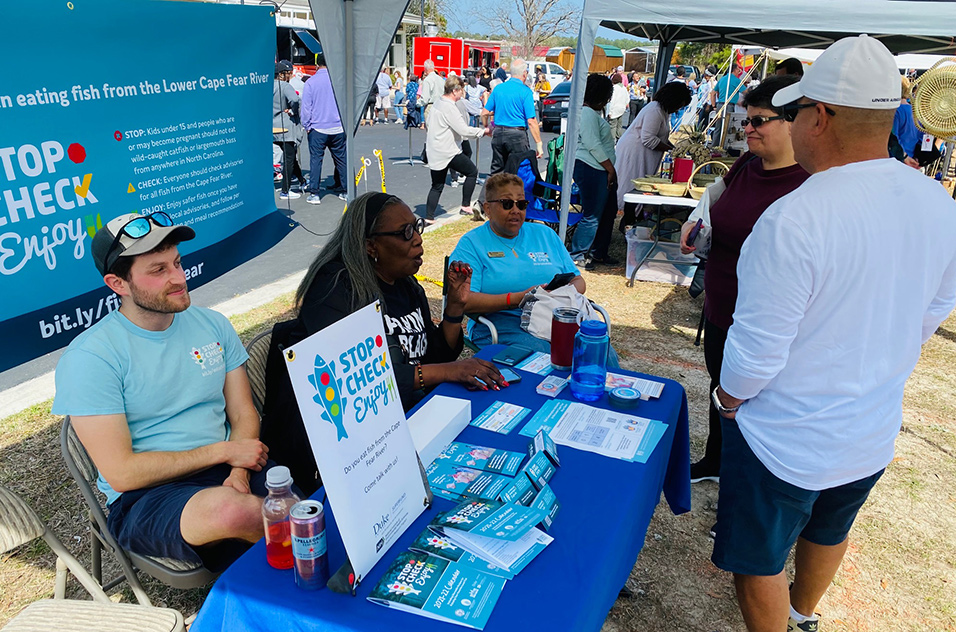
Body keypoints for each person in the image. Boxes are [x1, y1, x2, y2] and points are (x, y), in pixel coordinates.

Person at [709, 35, 956, 632]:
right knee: (830, 528)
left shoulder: (796, 215)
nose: (791, 125)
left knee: (758, 559)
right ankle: (803, 616)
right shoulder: (935, 201)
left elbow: (756, 349)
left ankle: (787, 618)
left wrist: (728, 399)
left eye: (794, 113)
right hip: (869, 425)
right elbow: (937, 306)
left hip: (783, 435)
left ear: (820, 116)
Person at [52, 212, 272, 571]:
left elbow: (243, 412)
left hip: (230, 465)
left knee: (305, 497)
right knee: (240, 513)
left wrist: (238, 470)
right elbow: (123, 473)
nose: (179, 278)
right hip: (146, 495)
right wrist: (225, 450)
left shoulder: (212, 323)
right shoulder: (90, 357)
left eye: (177, 262)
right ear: (118, 284)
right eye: (158, 270)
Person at [263, 193, 508, 494]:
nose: (418, 239)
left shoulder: (405, 285)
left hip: (403, 422)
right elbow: (364, 382)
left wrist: (455, 307)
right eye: (405, 232)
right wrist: (449, 371)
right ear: (371, 246)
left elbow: (435, 354)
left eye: (416, 227)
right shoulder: (336, 289)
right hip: (346, 447)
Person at [677, 75, 810, 485]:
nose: (747, 129)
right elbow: (714, 196)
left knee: (754, 406)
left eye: (759, 121)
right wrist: (694, 222)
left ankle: (742, 483)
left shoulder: (809, 182)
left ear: (792, 122)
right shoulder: (747, 164)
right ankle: (716, 460)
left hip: (766, 321)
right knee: (720, 389)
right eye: (746, 120)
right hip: (720, 306)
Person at [450, 173, 619, 368]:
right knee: (542, 356)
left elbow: (578, 280)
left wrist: (557, 293)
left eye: (521, 204)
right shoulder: (471, 244)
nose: (515, 210)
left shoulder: (544, 234)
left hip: (552, 314)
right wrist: (517, 299)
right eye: (507, 204)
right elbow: (463, 300)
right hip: (501, 321)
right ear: (487, 208)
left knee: (598, 351)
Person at [615, 81, 692, 213]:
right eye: (679, 105)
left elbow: (660, 137)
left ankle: (633, 214)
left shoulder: (662, 111)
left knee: (638, 185)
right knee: (631, 185)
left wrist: (676, 148)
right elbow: (648, 139)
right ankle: (627, 215)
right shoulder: (655, 110)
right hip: (635, 153)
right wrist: (671, 150)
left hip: (641, 153)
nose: (678, 109)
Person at [569, 74, 618, 268]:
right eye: (607, 96)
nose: (607, 101)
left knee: (608, 211)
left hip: (599, 168)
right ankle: (577, 254)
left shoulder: (592, 113)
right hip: (592, 167)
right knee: (593, 214)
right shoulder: (587, 113)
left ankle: (599, 252)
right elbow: (593, 144)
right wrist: (610, 169)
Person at [424, 77, 489, 223]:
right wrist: (483, 131)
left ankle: (429, 217)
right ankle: (465, 205)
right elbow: (463, 130)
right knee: (472, 172)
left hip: (434, 149)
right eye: (461, 90)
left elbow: (429, 123)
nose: (463, 93)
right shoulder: (449, 107)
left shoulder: (438, 103)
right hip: (448, 150)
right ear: (455, 91)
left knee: (437, 185)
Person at [301, 53, 348, 206]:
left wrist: (306, 125)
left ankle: (314, 193)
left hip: (318, 127)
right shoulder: (339, 82)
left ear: (317, 64)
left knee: (316, 160)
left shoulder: (311, 82)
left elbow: (306, 108)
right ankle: (346, 191)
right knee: (341, 159)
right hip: (338, 126)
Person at [481, 59, 543, 173]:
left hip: (499, 133)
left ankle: (492, 190)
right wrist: (539, 143)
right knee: (519, 170)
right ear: (524, 73)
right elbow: (531, 121)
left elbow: (484, 112)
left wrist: (487, 127)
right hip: (517, 135)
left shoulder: (499, 88)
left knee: (497, 171)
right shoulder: (525, 91)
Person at [274, 60, 304, 200]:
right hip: (285, 126)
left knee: (289, 155)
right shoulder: (285, 86)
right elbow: (295, 100)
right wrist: (293, 111)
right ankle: (285, 190)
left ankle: (302, 181)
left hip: (272, 126)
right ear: (282, 74)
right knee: (289, 157)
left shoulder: (268, 86)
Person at [891, 76, 921, 168]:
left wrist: (903, 156)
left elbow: (893, 137)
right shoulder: (915, 111)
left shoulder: (896, 111)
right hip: (912, 159)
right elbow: (920, 137)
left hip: (898, 158)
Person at [420, 59, 445, 126]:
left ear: (425, 68)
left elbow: (425, 99)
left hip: (431, 106)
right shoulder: (441, 79)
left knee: (431, 132)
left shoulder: (427, 80)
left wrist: (416, 103)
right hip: (441, 106)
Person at [607, 73, 629, 141]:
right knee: (619, 126)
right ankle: (619, 140)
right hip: (622, 109)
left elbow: (612, 100)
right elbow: (628, 99)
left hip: (615, 109)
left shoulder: (614, 88)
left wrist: (610, 112)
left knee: (612, 126)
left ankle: (612, 141)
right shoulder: (624, 88)